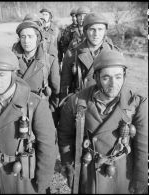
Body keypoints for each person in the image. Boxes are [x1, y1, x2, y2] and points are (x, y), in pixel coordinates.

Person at [58, 50, 148, 194]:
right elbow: (65, 136)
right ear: (97, 78)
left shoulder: (137, 103)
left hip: (122, 175)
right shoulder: (77, 101)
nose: (113, 84)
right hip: (89, 173)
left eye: (118, 77)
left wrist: (141, 180)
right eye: (106, 77)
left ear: (124, 76)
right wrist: (70, 167)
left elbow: (143, 147)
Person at [0, 48, 57, 194]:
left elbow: (48, 148)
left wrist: (42, 184)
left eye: (2, 75)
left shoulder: (34, 104)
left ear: (13, 73)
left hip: (26, 178)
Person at [60, 12, 119, 104]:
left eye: (100, 29)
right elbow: (65, 86)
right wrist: (65, 107)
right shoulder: (72, 54)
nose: (96, 34)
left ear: (105, 31)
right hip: (81, 102)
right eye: (92, 29)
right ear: (85, 31)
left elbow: (121, 84)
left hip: (106, 104)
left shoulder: (114, 53)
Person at [12, 20, 60, 127]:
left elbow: (56, 90)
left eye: (30, 36)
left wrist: (51, 112)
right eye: (23, 37)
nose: (26, 41)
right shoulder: (12, 60)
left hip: (41, 109)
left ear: (38, 38)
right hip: (17, 110)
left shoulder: (49, 60)